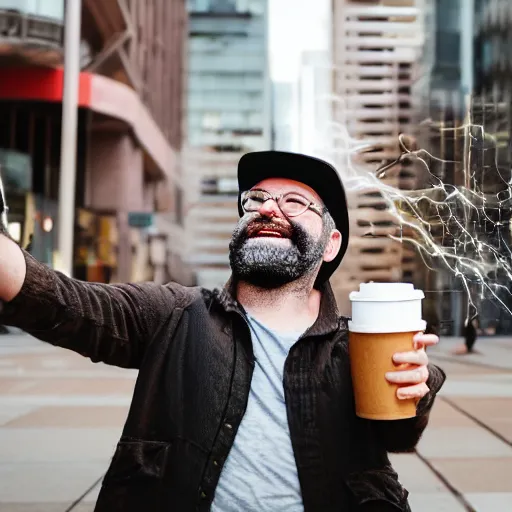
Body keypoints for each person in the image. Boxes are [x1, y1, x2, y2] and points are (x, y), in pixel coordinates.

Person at [0, 151, 445, 512]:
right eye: (255, 200)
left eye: (294, 202)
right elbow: (62, 301)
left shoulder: (357, 350)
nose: (268, 207)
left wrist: (415, 392)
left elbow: (397, 438)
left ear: (331, 244)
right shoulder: (176, 314)